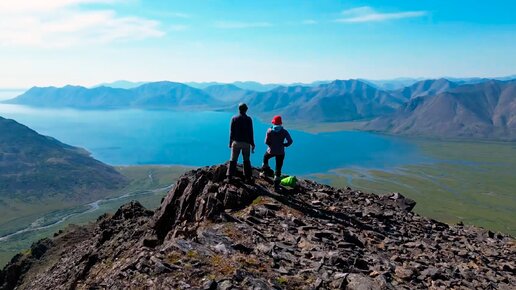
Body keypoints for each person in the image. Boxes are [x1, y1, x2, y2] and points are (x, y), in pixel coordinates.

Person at [261, 115, 293, 187]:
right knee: (278, 167)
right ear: (280, 123)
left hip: (271, 150)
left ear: (274, 122)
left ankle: (264, 172)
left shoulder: (269, 131)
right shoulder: (284, 132)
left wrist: (270, 145)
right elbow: (290, 141)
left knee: (265, 158)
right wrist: (284, 145)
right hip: (280, 152)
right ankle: (276, 184)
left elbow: (266, 141)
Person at [227, 103, 255, 182]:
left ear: (239, 109)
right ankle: (248, 178)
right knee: (246, 160)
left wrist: (230, 142)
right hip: (246, 143)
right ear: (246, 110)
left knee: (233, 160)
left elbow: (231, 132)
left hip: (236, 143)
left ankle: (229, 177)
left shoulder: (234, 118)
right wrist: (252, 143)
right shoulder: (248, 119)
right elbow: (250, 132)